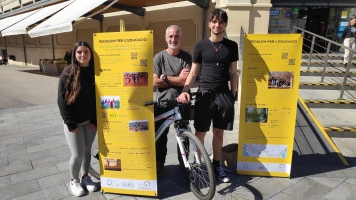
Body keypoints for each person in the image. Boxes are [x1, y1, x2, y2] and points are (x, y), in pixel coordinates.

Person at [177, 9, 238, 183]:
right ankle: (198, 167)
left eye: (221, 22)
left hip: (223, 95)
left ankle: (217, 166)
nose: (217, 25)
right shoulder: (200, 46)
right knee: (200, 133)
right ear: (209, 24)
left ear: (225, 25)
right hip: (204, 95)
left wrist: (232, 95)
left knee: (219, 133)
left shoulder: (231, 46)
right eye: (214, 21)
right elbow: (194, 72)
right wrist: (185, 90)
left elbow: (233, 73)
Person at [57, 41, 98, 197]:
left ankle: (85, 176)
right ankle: (74, 180)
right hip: (73, 123)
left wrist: (95, 119)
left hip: (89, 121)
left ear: (90, 54)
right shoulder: (67, 73)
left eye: (86, 52)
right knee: (78, 154)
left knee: (87, 151)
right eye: (79, 52)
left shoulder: (96, 72)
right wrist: (70, 122)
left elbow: (99, 98)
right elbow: (61, 101)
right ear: (74, 55)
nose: (83, 55)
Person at [153, 25, 191, 176]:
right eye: (170, 36)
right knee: (160, 137)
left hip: (181, 102)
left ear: (181, 38)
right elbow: (155, 83)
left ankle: (185, 164)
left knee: (184, 135)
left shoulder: (187, 57)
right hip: (162, 102)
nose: (173, 39)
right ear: (166, 38)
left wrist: (165, 77)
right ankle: (159, 163)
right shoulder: (159, 57)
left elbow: (185, 81)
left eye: (176, 36)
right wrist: (176, 79)